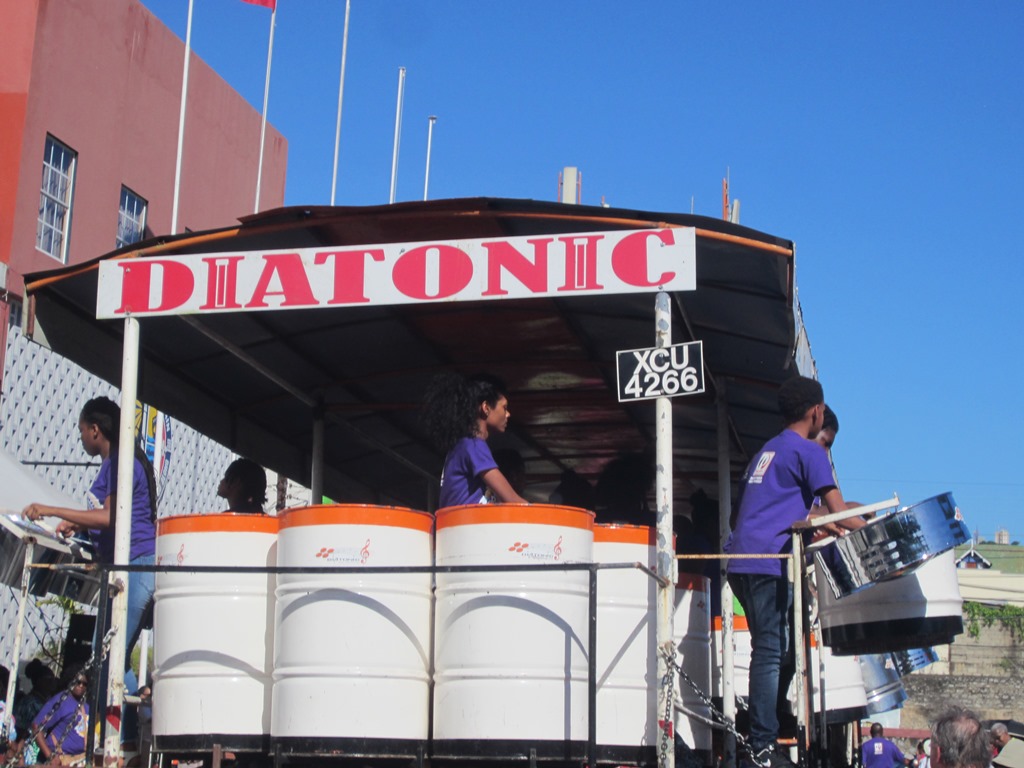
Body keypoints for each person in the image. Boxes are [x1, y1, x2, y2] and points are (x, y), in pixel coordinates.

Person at [724, 376, 864, 768]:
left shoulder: (767, 451)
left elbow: (761, 510)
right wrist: (880, 532)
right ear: (816, 411)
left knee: (780, 645)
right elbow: (839, 510)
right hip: (768, 560)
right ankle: (762, 745)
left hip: (742, 559)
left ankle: (768, 724)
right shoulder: (809, 451)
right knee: (770, 650)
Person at [22, 397, 158, 746]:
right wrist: (75, 525)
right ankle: (128, 729)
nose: (81, 437)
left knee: (105, 655)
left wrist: (52, 510)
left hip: (137, 566)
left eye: (82, 431)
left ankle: (132, 731)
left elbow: (113, 516)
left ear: (95, 430)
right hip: (125, 569)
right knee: (110, 657)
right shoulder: (114, 463)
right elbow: (106, 518)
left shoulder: (120, 463)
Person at [422, 373, 527, 507]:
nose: (508, 414)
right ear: (486, 408)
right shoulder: (474, 445)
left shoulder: (464, 444)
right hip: (465, 525)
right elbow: (513, 500)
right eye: (504, 408)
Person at [30, 671, 90, 766]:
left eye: (84, 683)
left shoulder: (86, 705)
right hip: (60, 761)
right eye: (78, 682)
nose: (81, 685)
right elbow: (36, 727)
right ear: (71, 681)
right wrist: (50, 756)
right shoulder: (61, 700)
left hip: (79, 760)